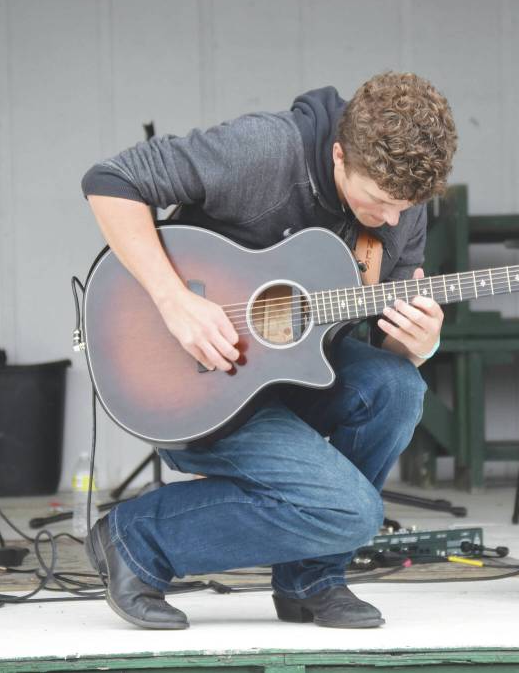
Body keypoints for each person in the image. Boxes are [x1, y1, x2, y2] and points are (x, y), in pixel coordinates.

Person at [80, 71, 458, 629]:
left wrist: (415, 345)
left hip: (297, 373)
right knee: (354, 514)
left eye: (408, 206)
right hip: (202, 379)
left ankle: (311, 581)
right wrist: (175, 300)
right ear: (338, 155)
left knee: (398, 385)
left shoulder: (402, 201)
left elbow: (383, 353)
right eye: (379, 201)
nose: (395, 219)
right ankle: (137, 539)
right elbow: (109, 180)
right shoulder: (264, 151)